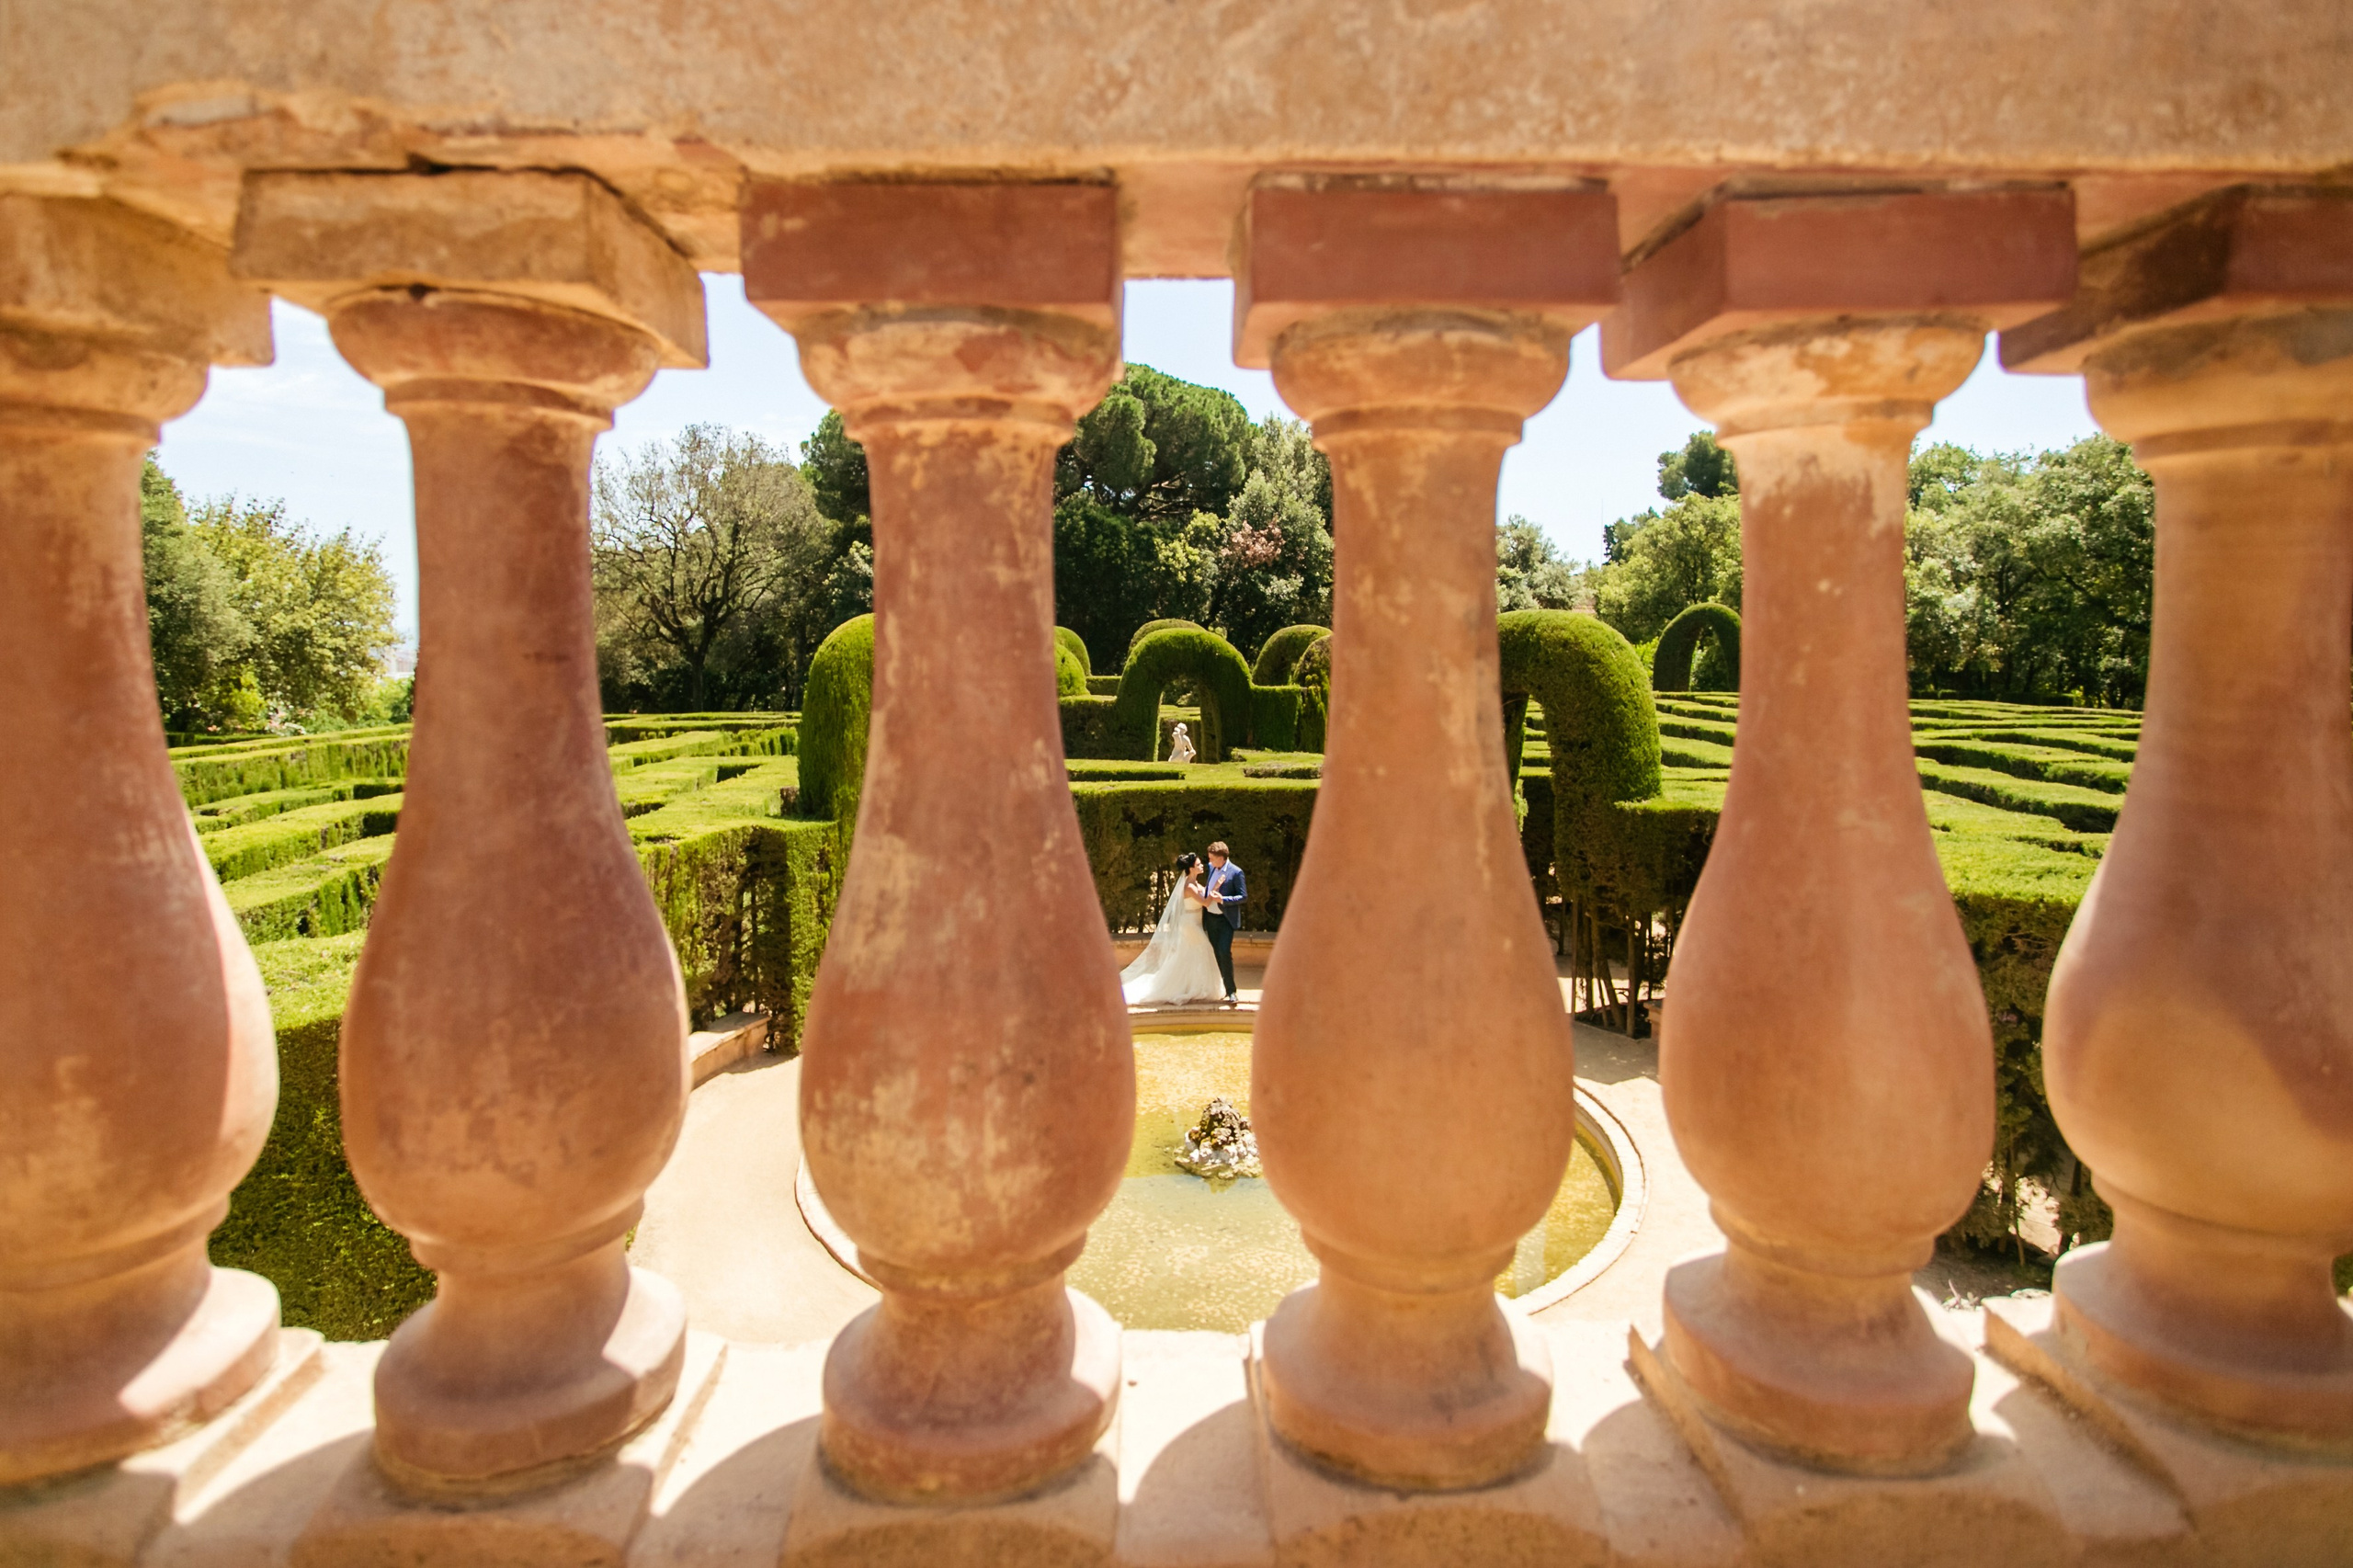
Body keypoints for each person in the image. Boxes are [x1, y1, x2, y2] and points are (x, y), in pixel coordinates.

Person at [1120, 853, 1227, 1006]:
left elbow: (1207, 894)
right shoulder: (1189, 886)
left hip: (1194, 922)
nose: (1202, 866)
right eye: (1198, 865)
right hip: (1189, 924)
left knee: (1189, 955)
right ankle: (1193, 988)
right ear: (1191, 868)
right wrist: (1217, 886)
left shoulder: (1195, 884)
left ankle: (1191, 986)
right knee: (1204, 949)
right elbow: (1205, 902)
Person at [1200, 841, 1245, 1004]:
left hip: (1226, 920)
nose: (1209, 862)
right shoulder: (1212, 868)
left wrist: (1224, 899)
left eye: (1212, 858)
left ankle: (1232, 991)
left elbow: (1243, 896)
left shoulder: (1236, 872)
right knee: (1216, 954)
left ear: (1221, 858)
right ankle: (1222, 987)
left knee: (1224, 952)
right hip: (1211, 918)